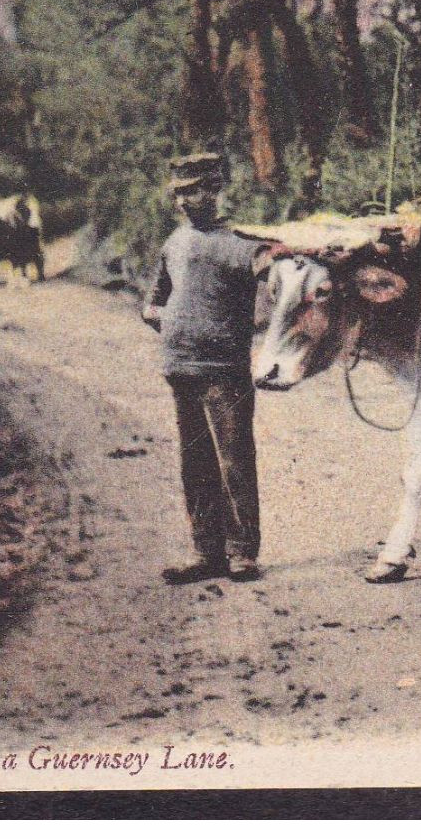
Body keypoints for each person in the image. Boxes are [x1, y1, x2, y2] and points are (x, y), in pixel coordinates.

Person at [143, 153, 264, 585]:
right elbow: (153, 299)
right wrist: (166, 318)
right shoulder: (174, 243)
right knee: (195, 462)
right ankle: (205, 551)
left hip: (224, 371)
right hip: (181, 369)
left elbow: (268, 307)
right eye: (178, 193)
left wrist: (231, 327)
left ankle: (242, 552)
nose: (184, 201)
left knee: (234, 460)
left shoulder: (242, 244)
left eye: (193, 190)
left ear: (215, 190)